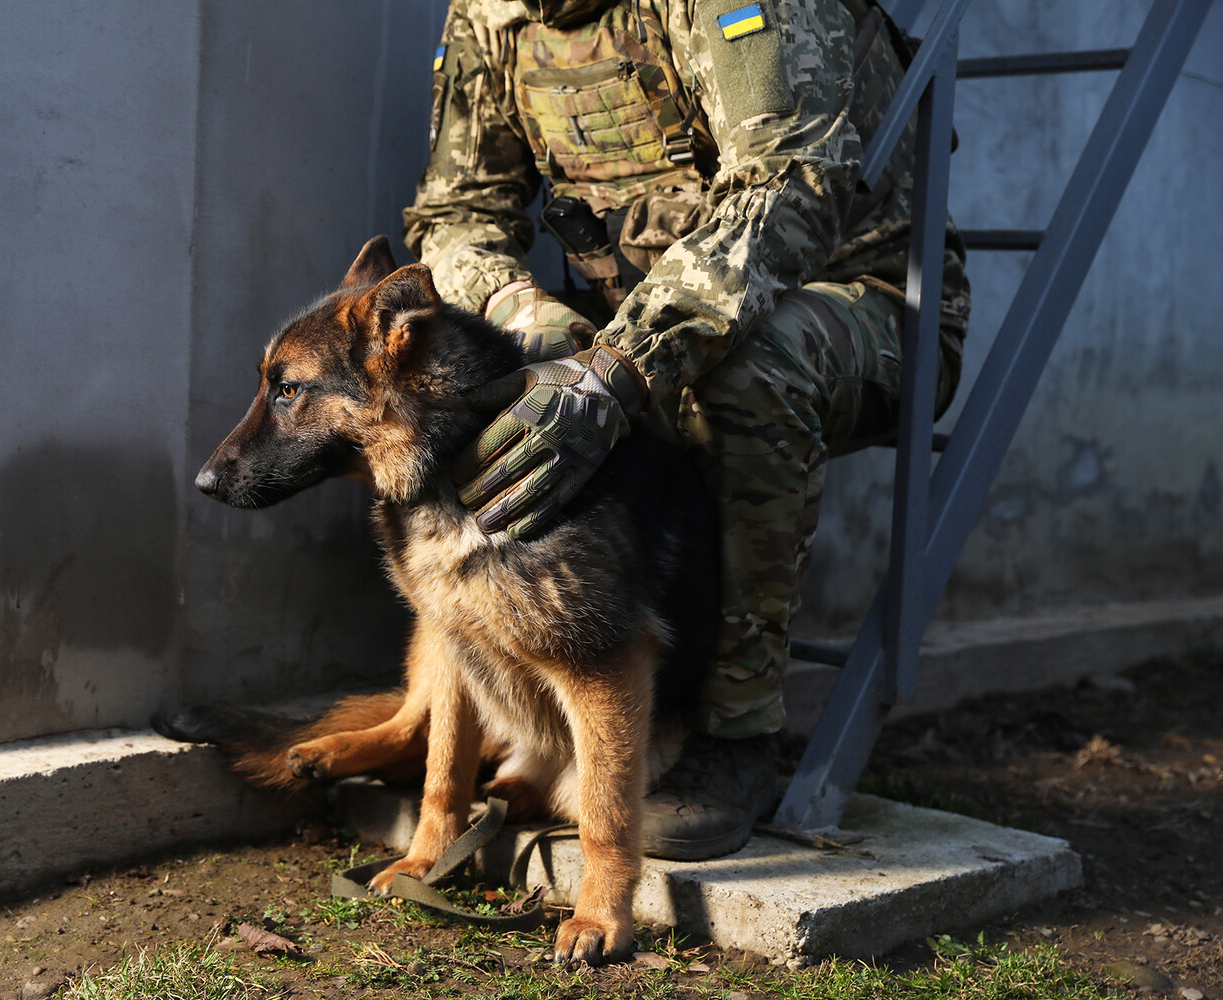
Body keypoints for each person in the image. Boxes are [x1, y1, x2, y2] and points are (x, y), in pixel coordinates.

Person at [403, 0, 971, 858]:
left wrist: (619, 365)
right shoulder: (493, 14)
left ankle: (735, 737)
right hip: (648, 320)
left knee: (748, 371)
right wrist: (530, 321)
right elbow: (455, 212)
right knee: (473, 371)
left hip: (866, 305)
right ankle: (508, 719)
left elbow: (792, 185)